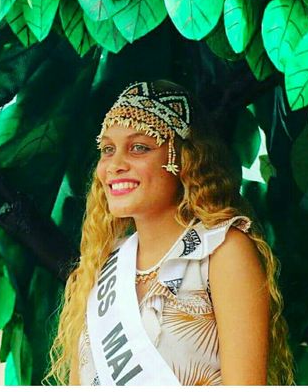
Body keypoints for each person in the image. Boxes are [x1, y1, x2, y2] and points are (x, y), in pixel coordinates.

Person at [42, 79, 294, 386]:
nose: (115, 164)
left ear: (182, 159)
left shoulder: (221, 252)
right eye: (107, 149)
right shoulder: (99, 268)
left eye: (138, 147)